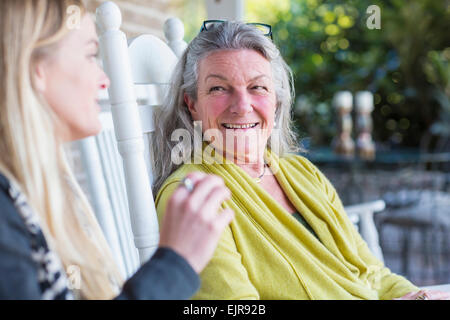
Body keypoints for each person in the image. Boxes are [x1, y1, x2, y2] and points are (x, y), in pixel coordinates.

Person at [153, 20, 450, 300]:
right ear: (191, 104)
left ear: (276, 100)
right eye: (219, 88)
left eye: (258, 87)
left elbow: (371, 274)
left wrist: (416, 295)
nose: (242, 106)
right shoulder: (191, 196)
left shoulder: (302, 173)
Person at [0, 0, 233, 300]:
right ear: (36, 68)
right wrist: (176, 263)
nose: (104, 80)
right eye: (89, 55)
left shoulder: (30, 199)